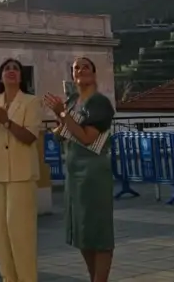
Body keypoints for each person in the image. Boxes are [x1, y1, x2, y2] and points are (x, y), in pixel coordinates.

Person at [44, 57, 116, 282]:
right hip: (74, 173)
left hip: (93, 172)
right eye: (76, 67)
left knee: (99, 232)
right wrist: (59, 120)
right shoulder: (74, 100)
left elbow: (86, 137)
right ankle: (93, 276)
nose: (81, 69)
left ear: (94, 73)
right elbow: (65, 132)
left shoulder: (99, 103)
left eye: (86, 66)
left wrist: (63, 115)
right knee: (83, 232)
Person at [0, 58, 42, 282]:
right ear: (0, 76)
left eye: (15, 69)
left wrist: (7, 122)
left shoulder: (31, 101)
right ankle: (8, 278)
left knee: (20, 233)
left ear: (22, 76)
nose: (11, 72)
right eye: (6, 69)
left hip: (21, 174)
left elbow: (30, 136)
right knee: (1, 233)